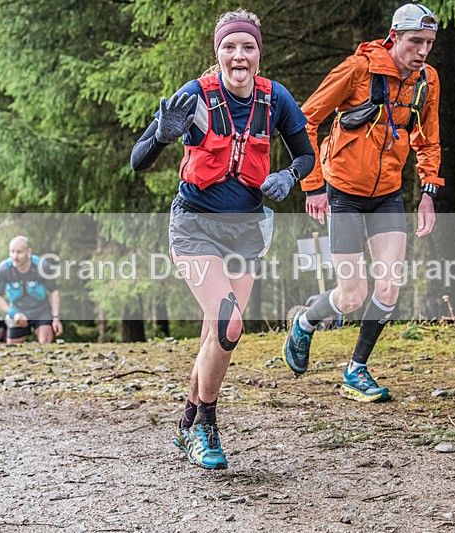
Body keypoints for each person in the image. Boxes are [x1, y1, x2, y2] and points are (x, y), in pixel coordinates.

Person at [131, 9, 314, 469]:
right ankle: (208, 427)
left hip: (246, 231)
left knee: (217, 331)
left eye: (247, 47)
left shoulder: (275, 99)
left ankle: (188, 421)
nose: (239, 55)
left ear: (258, 53)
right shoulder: (195, 96)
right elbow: (138, 160)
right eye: (229, 47)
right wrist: (161, 138)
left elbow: (307, 155)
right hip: (194, 226)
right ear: (217, 53)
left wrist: (289, 177)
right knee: (230, 324)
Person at [284, 3, 442, 402]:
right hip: (343, 194)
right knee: (352, 294)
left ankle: (356, 370)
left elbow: (428, 139)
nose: (422, 51)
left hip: (387, 193)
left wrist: (429, 191)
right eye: (414, 41)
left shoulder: (427, 81)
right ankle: (305, 321)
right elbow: (304, 121)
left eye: (428, 43)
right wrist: (313, 185)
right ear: (395, 37)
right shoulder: (357, 70)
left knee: (390, 284)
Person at [0, 236, 63, 345]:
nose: (15, 256)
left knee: (46, 343)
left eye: (19, 252)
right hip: (17, 310)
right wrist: (13, 313)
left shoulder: (42, 266)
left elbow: (54, 292)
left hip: (41, 310)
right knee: (12, 348)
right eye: (12, 252)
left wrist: (56, 317)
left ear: (28, 252)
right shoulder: (3, 269)